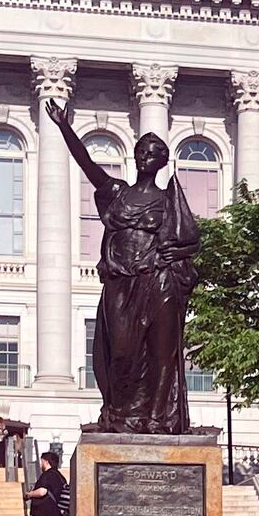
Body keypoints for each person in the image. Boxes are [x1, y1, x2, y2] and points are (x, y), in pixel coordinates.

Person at [47, 99, 199, 435]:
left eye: (152, 152)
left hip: (157, 281)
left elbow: (187, 242)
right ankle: (122, 413)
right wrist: (64, 127)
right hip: (121, 283)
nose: (145, 155)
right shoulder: (117, 193)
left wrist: (166, 263)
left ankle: (157, 417)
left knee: (161, 354)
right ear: (135, 157)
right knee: (121, 352)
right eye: (141, 150)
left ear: (161, 162)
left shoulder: (167, 201)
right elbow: (86, 165)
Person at [28, 449, 72, 516]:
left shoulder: (47, 475)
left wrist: (29, 494)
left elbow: (42, 491)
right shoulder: (61, 477)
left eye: (41, 461)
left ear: (46, 462)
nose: (40, 464)